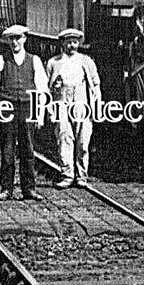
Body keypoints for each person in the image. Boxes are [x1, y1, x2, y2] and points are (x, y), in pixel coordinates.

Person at [0, 24, 48, 201]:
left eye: (18, 38)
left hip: (28, 108)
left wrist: (39, 114)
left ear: (24, 39)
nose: (14, 42)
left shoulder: (34, 60)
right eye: (11, 39)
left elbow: (42, 90)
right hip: (7, 107)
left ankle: (29, 189)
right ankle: (6, 188)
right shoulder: (1, 60)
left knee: (28, 149)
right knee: (7, 149)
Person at [46, 28, 101, 188]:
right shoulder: (54, 62)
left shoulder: (86, 61)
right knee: (64, 138)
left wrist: (96, 106)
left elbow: (95, 84)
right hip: (62, 102)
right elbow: (47, 87)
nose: (72, 45)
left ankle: (82, 175)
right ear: (62, 43)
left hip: (81, 102)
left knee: (83, 141)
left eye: (75, 42)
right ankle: (67, 175)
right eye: (69, 42)